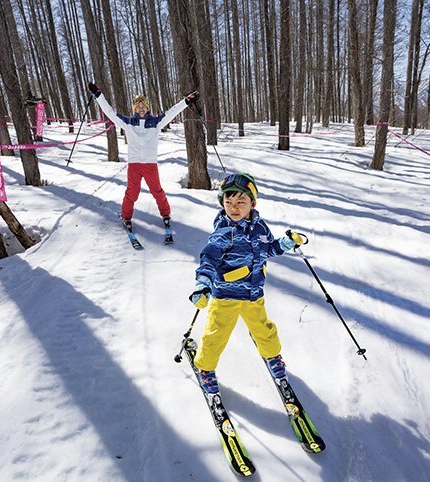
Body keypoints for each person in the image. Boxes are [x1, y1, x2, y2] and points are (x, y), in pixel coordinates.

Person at [188, 173, 303, 393]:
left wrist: (286, 243)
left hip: (253, 294)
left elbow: (268, 248)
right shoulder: (224, 233)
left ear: (253, 203)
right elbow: (209, 258)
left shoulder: (260, 227)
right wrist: (202, 284)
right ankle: (205, 368)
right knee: (217, 335)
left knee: (264, 329)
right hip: (226, 296)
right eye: (228, 202)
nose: (233, 207)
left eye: (241, 202)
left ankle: (272, 355)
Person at [87, 82, 199, 232]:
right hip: (134, 165)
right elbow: (110, 113)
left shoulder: (156, 123)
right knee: (132, 193)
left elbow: (172, 112)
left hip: (150, 165)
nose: (141, 108)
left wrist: (186, 101)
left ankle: (166, 214)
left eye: (143, 105)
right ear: (134, 109)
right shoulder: (128, 123)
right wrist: (99, 95)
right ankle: (126, 216)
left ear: (147, 108)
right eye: (138, 106)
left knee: (157, 191)